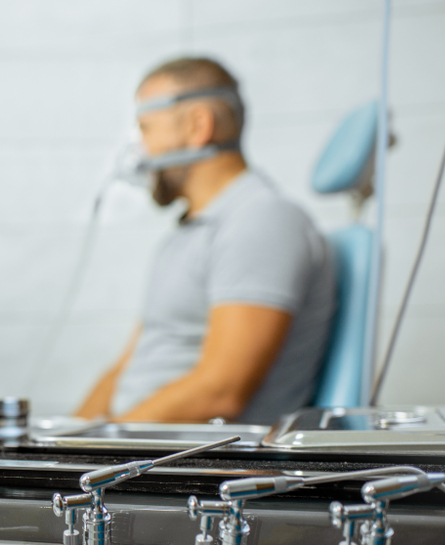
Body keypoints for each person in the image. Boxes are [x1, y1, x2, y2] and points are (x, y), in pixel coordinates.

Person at [75, 57, 335, 425]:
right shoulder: (189, 234)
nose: (139, 150)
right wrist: (56, 447)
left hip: (180, 465)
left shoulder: (260, 221)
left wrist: (100, 450)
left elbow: (220, 392)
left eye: (146, 129)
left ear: (199, 126)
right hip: (130, 453)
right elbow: (125, 367)